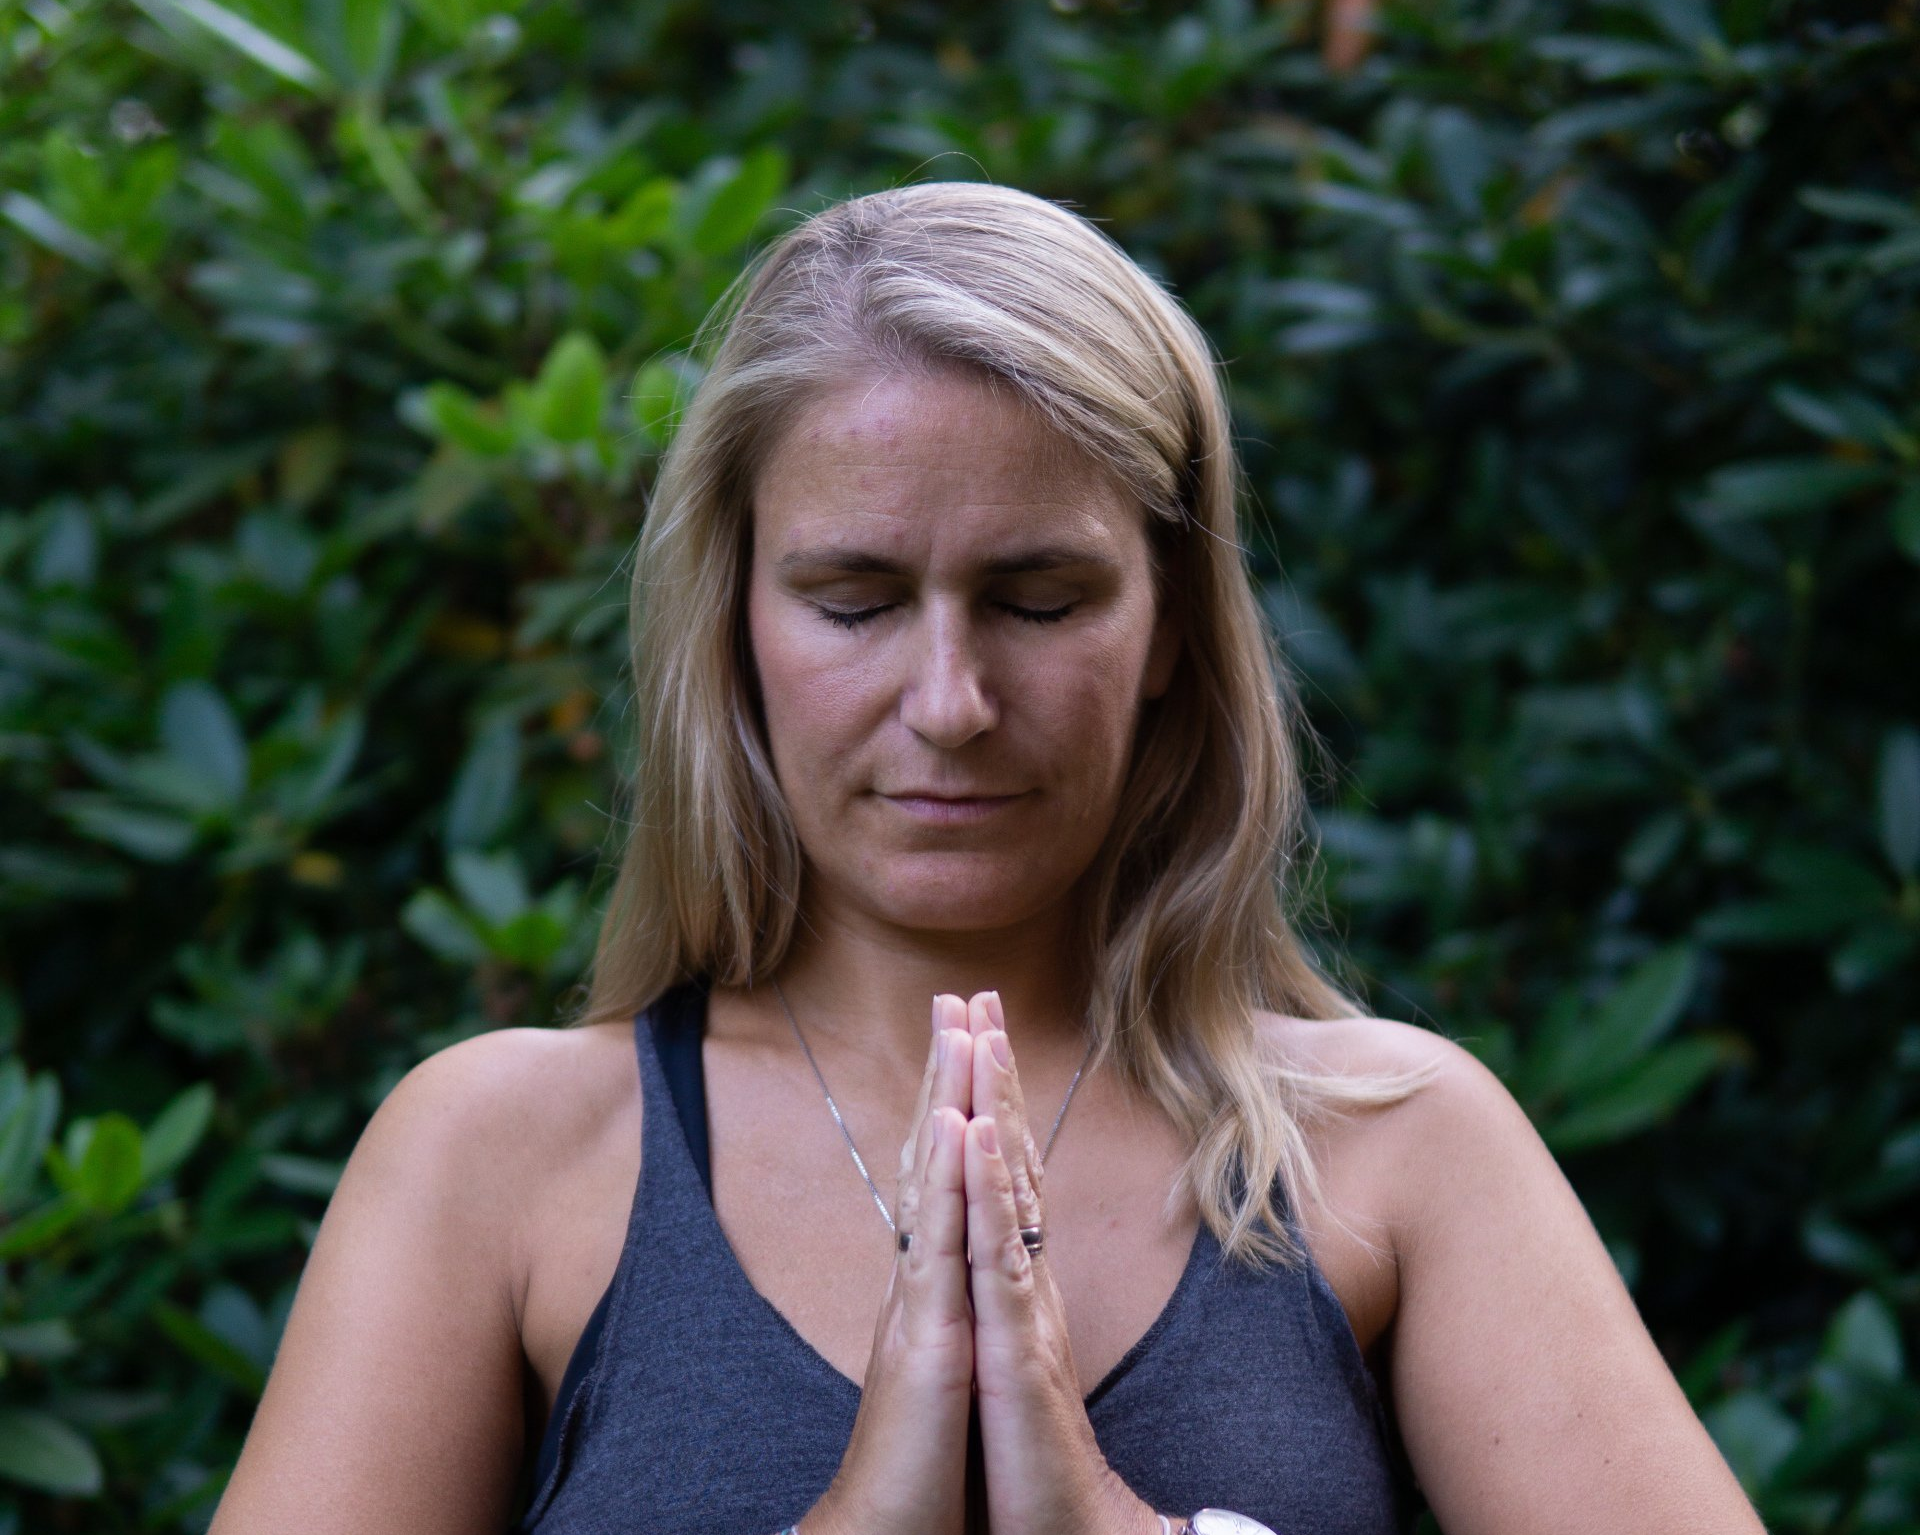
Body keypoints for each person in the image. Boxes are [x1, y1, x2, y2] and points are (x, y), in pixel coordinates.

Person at [209, 182, 1766, 1535]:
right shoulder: (502, 1159)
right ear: (734, 621)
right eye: (855, 601)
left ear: (1171, 625)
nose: (950, 703)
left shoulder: (1392, 1151)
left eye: (1038, 600)